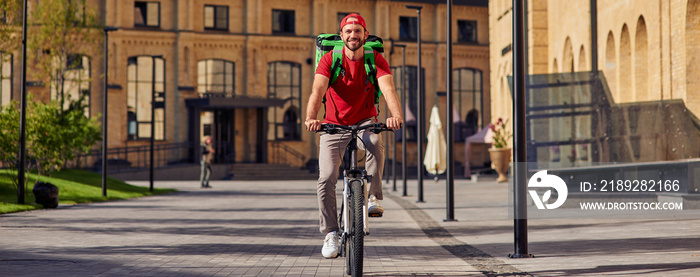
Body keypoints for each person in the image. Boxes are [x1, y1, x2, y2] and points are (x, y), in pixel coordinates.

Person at [305, 13, 403, 259]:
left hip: (364, 121)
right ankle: (331, 233)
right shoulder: (330, 59)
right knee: (326, 177)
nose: (353, 35)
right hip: (333, 124)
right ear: (341, 36)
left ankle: (372, 197)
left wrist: (396, 115)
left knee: (373, 141)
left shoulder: (375, 59)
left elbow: (388, 89)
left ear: (365, 35)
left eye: (357, 31)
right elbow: (318, 90)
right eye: (348, 31)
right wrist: (311, 118)